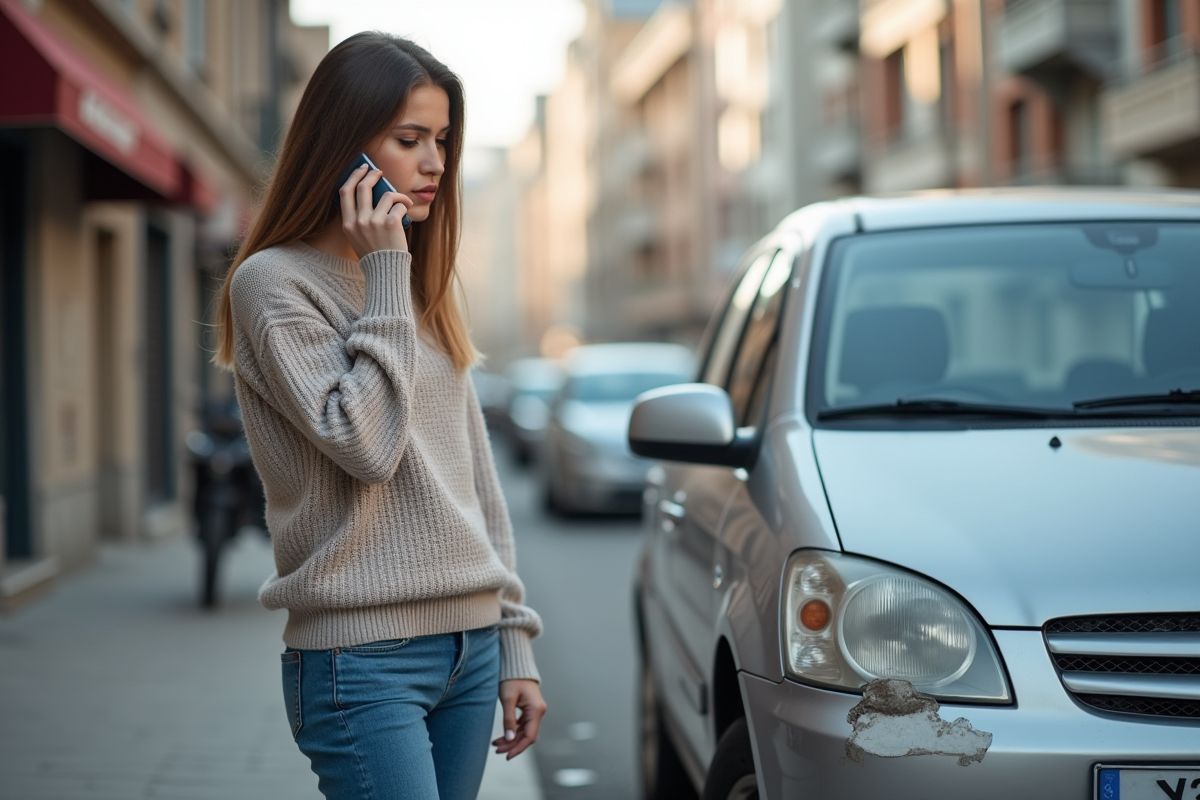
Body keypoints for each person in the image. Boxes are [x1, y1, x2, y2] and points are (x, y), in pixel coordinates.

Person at [210, 32, 545, 800]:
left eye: (443, 140)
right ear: (343, 146)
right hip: (362, 659)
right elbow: (366, 446)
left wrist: (513, 643)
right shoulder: (273, 282)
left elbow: (476, 482)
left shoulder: (419, 287)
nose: (435, 163)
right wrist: (387, 269)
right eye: (409, 139)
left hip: (471, 651)